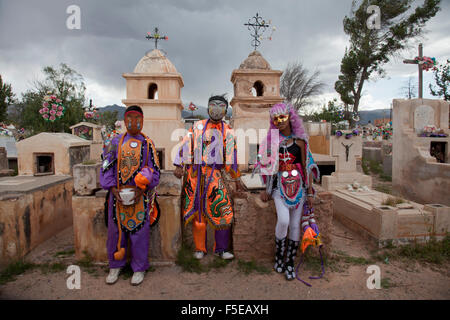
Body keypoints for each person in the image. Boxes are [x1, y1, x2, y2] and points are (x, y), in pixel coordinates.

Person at [255, 103, 320, 280]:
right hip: (278, 188)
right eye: (275, 119)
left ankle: (289, 262)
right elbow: (266, 167)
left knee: (294, 225)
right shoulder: (270, 142)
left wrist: (310, 192)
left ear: (290, 117)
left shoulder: (300, 142)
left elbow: (307, 167)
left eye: (282, 117)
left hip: (298, 188)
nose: (279, 122)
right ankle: (279, 257)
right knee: (283, 221)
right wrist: (266, 189)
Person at [173, 95, 242, 260]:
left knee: (223, 207)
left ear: (226, 110)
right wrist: (179, 164)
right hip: (195, 175)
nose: (217, 108)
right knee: (198, 213)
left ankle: (221, 249)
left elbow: (231, 157)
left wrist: (237, 178)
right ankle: (200, 248)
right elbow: (186, 144)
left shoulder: (229, 131)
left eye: (221, 106)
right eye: (213, 105)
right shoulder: (197, 127)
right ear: (208, 107)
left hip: (214, 175)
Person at [100, 105, 160, 286]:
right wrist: (113, 189)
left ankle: (139, 268)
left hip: (139, 197)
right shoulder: (115, 143)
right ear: (125, 120)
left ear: (142, 120)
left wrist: (142, 189)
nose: (134, 122)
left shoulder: (148, 144)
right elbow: (106, 167)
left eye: (137, 119)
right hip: (117, 196)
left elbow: (155, 170)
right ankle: (115, 265)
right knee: (115, 232)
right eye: (130, 118)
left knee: (139, 233)